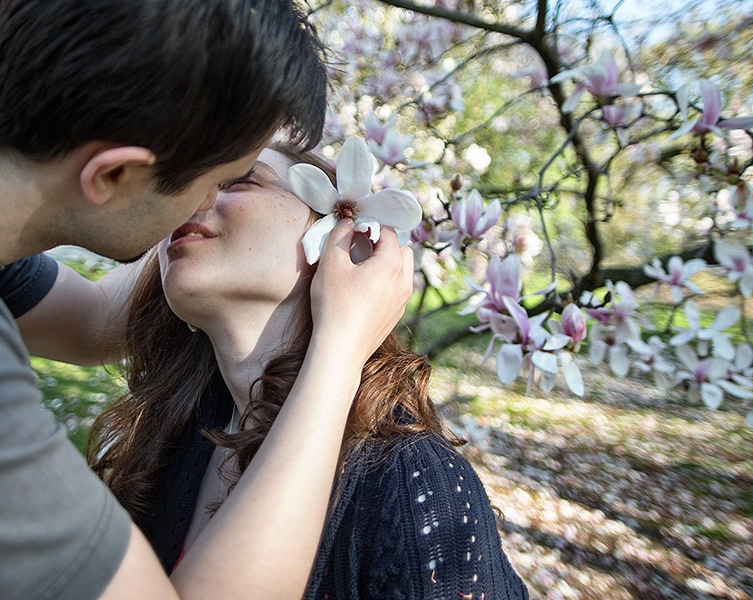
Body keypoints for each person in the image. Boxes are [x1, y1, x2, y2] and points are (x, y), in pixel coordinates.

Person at [0, 1, 412, 598]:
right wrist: (340, 351)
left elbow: (93, 323)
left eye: (238, 180)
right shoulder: (179, 447)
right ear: (113, 176)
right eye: (215, 178)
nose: (200, 208)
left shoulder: (403, 480)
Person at [80, 142, 530, 599]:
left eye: (239, 180)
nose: (191, 199)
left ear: (343, 237)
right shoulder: (180, 439)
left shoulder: (413, 484)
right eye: (186, 184)